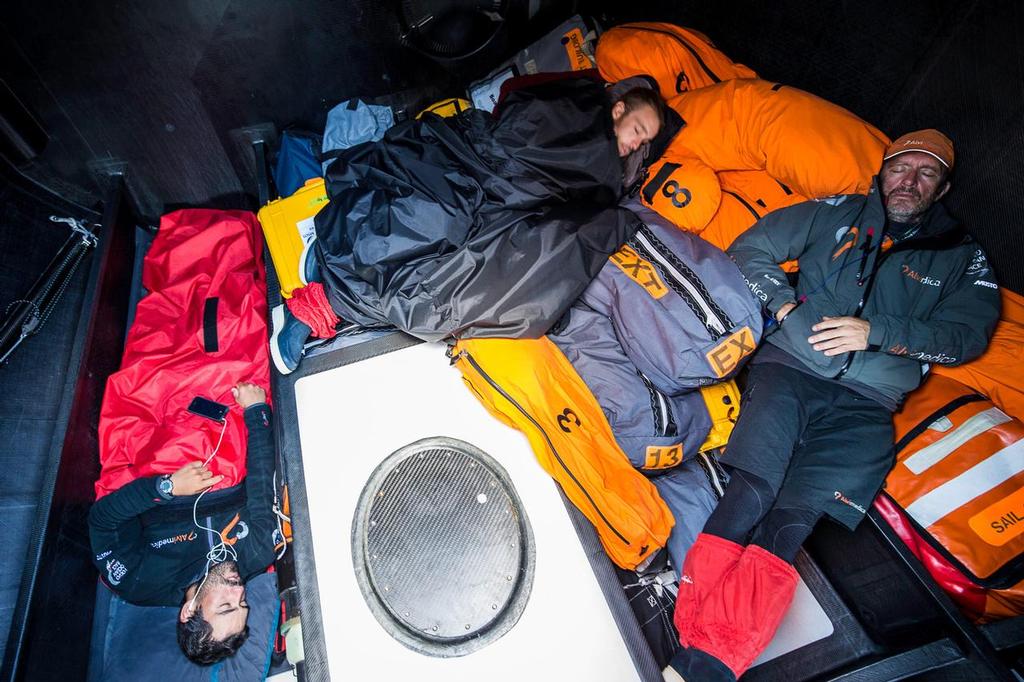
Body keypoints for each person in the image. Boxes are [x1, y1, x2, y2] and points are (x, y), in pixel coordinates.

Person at [667, 130, 1001, 681]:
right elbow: (752, 249)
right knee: (752, 488)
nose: (909, 182)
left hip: (869, 406)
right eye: (900, 168)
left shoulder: (964, 258)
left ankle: (703, 665)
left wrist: (876, 332)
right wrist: (783, 309)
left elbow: (965, 338)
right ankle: (697, 647)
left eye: (926, 174)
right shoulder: (837, 212)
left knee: (791, 520)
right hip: (789, 371)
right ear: (882, 171)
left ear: (942, 190)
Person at [270, 81, 666, 374]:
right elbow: (518, 115)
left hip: (510, 199)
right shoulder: (576, 102)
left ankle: (329, 292)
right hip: (479, 160)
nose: (636, 144)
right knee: (437, 214)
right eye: (637, 130)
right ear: (618, 110)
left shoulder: (610, 172)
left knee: (476, 277)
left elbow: (570, 203)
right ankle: (323, 295)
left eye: (645, 142)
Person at [89, 381, 278, 666]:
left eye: (226, 605)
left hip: (164, 456)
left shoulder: (138, 584)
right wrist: (256, 410)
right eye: (242, 603)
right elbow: (263, 483)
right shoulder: (259, 553)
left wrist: (167, 487)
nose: (239, 592)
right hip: (231, 432)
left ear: (189, 611)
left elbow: (102, 521)